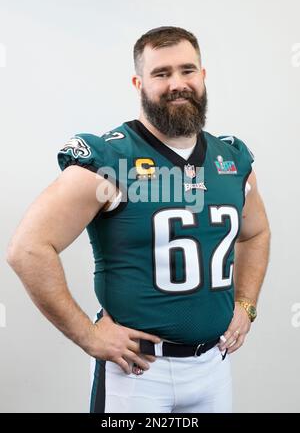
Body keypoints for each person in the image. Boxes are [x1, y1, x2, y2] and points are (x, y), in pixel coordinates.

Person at [6, 26, 270, 413]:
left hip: (214, 365)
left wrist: (246, 304)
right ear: (138, 83)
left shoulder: (230, 159)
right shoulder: (110, 159)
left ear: (203, 75)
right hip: (140, 373)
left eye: (187, 70)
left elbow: (256, 232)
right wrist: (89, 335)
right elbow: (27, 248)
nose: (177, 83)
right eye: (161, 73)